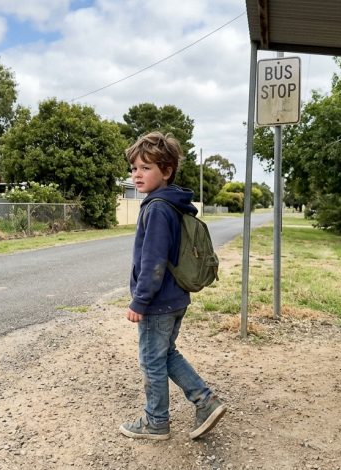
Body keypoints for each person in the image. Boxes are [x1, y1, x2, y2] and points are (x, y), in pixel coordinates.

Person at [120, 132, 227, 441]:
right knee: (165, 354)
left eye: (145, 168)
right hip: (175, 298)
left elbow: (153, 261)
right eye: (134, 168)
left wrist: (139, 302)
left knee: (151, 360)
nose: (137, 174)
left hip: (157, 302)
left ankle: (156, 421)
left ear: (166, 171)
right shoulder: (173, 204)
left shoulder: (156, 209)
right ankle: (205, 401)